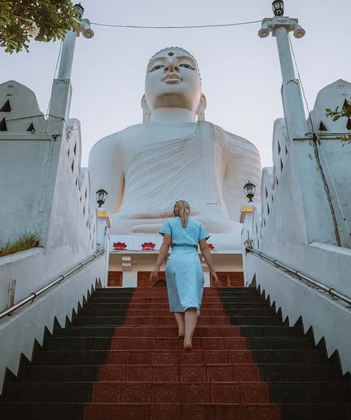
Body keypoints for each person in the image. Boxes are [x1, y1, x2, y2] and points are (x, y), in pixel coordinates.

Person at [88, 47, 261, 234]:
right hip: (129, 227)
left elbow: (249, 220)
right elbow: (98, 218)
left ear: (201, 101)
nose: (171, 68)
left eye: (185, 65)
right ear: (145, 101)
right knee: (107, 229)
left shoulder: (231, 144)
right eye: (158, 67)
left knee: (233, 230)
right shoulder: (112, 144)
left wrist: (222, 225)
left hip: (210, 227)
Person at [151, 200, 218, 351]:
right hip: (191, 261)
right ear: (189, 210)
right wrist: (213, 270)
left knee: (175, 295)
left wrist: (156, 266)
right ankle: (188, 338)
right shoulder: (198, 225)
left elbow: (165, 244)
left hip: (174, 260)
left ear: (175, 211)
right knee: (191, 299)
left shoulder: (169, 223)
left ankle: (181, 328)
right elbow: (205, 248)